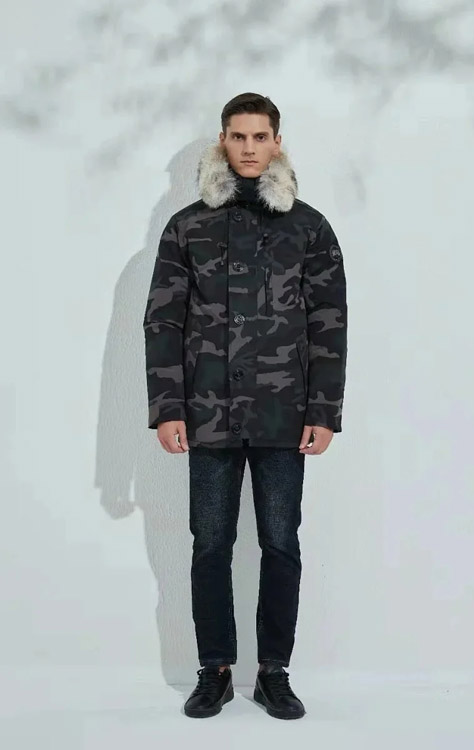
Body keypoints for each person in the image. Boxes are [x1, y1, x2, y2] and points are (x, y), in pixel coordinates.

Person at [142, 92, 348, 720]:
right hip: (208, 415)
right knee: (210, 544)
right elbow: (163, 322)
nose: (250, 148)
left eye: (261, 137)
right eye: (239, 136)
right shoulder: (188, 226)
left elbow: (329, 323)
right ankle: (214, 669)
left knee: (281, 543)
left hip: (286, 415)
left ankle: (273, 673)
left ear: (277, 142)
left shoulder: (309, 227)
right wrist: (168, 407)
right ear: (223, 141)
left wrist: (324, 411)